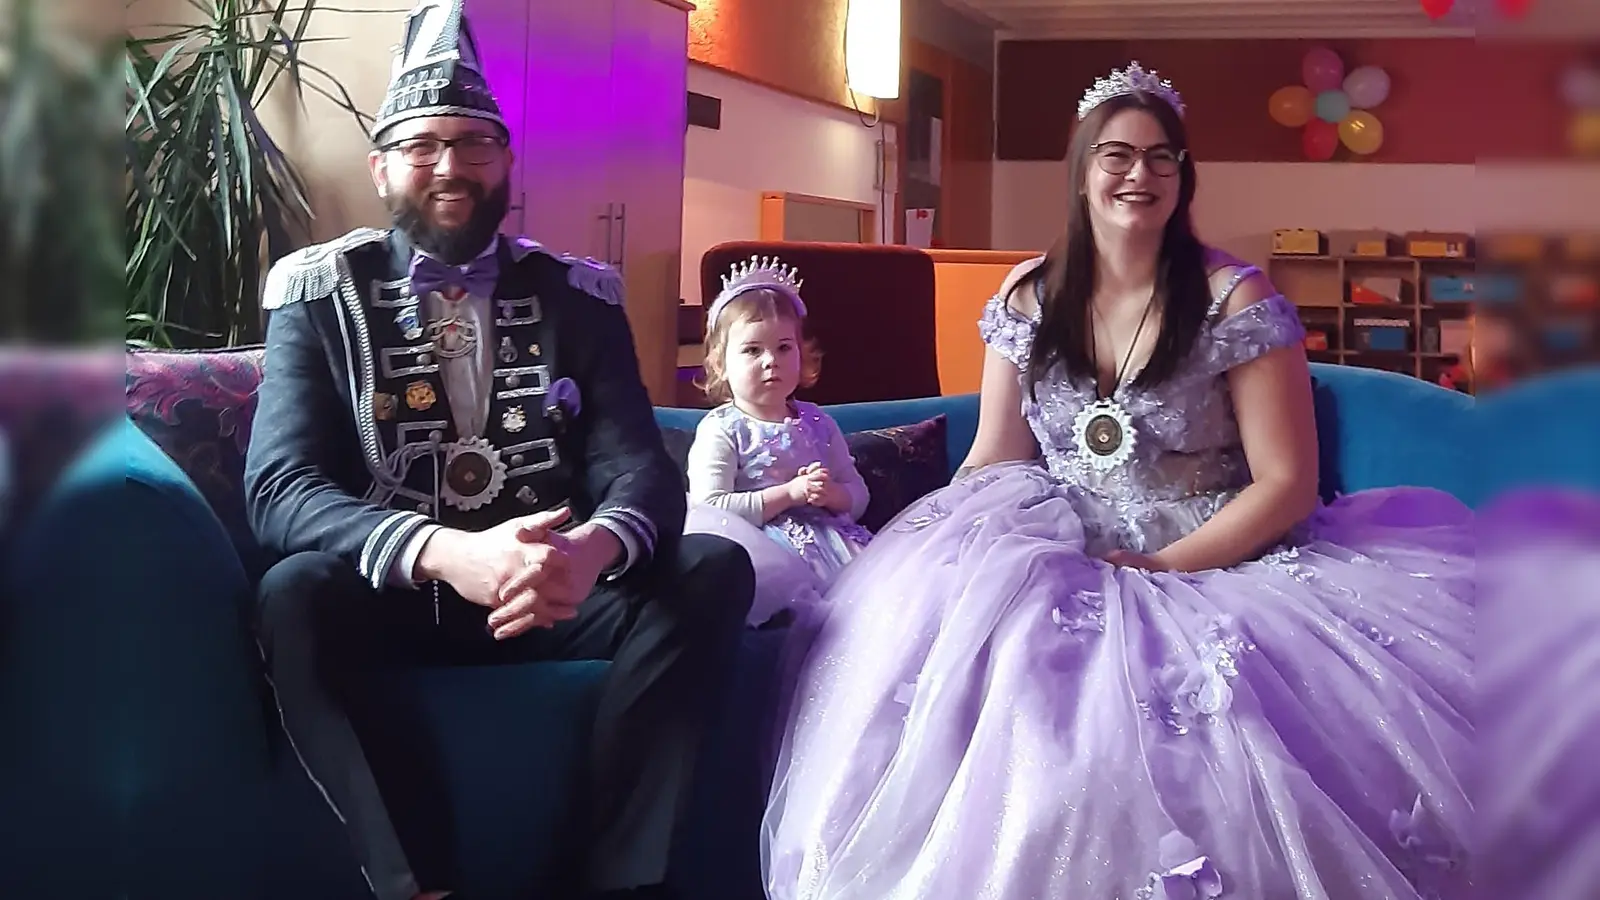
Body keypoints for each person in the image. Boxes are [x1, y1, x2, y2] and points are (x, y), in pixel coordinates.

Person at [760, 62, 1472, 900]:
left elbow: (1285, 481)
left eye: (1162, 157)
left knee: (1204, 740)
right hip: (1064, 543)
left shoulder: (1232, 299)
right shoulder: (1027, 298)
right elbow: (995, 454)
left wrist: (1168, 570)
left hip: (1213, 554)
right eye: (1118, 155)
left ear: (1184, 174)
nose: (1141, 174)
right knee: (991, 680)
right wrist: (941, 545)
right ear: (1082, 170)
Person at [242, 2, 754, 898]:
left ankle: (611, 878)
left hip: (552, 597)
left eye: (476, 144)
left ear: (507, 162)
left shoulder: (581, 297)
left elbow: (639, 470)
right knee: (293, 597)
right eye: (425, 146)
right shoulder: (317, 292)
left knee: (712, 568)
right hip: (400, 597)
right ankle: (421, 884)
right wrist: (448, 555)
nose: (451, 167)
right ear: (382, 168)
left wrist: (587, 553)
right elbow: (281, 487)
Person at [684, 258, 871, 627]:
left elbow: (859, 493)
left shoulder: (818, 421)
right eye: (752, 350)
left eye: (784, 348)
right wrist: (790, 494)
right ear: (721, 363)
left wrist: (832, 494)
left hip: (836, 544)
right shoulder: (721, 428)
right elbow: (710, 509)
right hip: (765, 555)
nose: (771, 361)